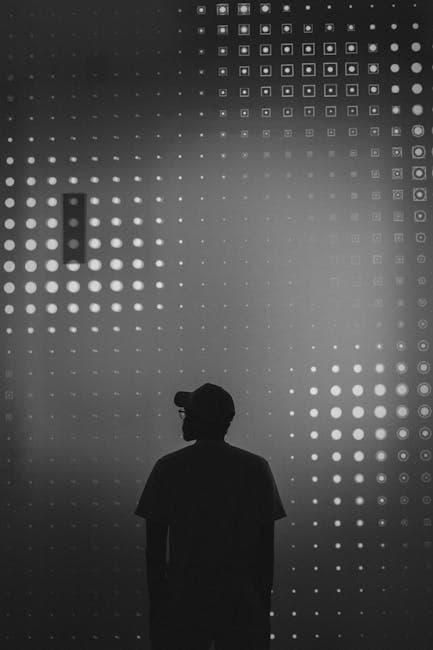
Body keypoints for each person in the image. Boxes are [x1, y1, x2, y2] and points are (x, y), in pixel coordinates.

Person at [134, 382, 286, 650]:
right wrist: (261, 610)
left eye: (186, 414)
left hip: (184, 601)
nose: (183, 419)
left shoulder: (169, 468)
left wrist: (158, 608)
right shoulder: (256, 469)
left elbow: (155, 553)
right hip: (240, 602)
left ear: (197, 419)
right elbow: (265, 554)